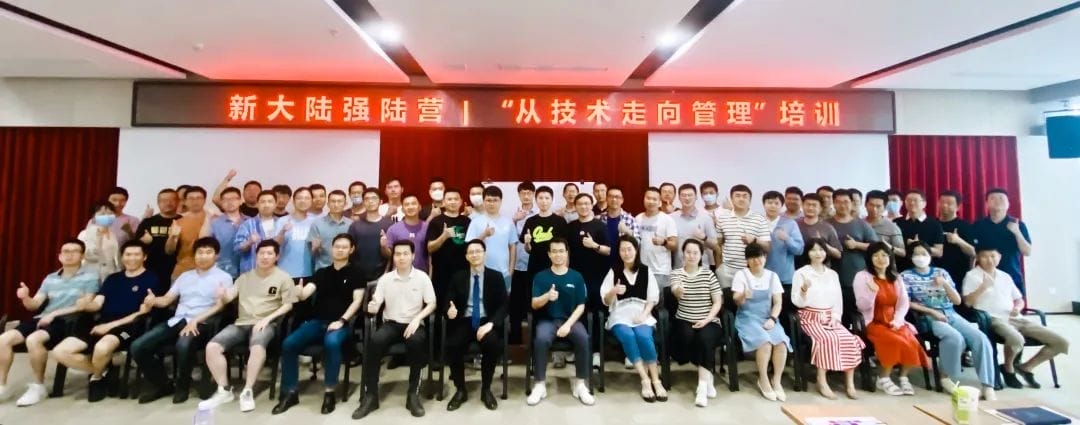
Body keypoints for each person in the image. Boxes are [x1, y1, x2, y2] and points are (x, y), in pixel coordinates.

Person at [51, 240, 159, 402]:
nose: (131, 258)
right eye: (128, 254)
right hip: (100, 322)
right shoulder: (113, 279)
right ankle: (103, 371)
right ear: (122, 257)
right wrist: (86, 305)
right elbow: (98, 303)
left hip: (128, 327)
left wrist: (109, 326)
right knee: (60, 352)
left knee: (102, 348)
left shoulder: (151, 279)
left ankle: (96, 378)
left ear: (144, 257)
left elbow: (142, 313)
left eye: (136, 254)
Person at [132, 237, 232, 404]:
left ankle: (182, 386)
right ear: (194, 255)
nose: (203, 256)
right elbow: (166, 300)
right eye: (200, 252)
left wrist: (196, 320)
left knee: (183, 345)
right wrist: (154, 300)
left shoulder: (224, 277)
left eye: (208, 252)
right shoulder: (185, 276)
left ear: (217, 256)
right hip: (177, 320)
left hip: (203, 322)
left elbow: (220, 307)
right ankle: (163, 384)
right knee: (138, 346)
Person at [0, 239, 100, 406]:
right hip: (44, 317)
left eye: (74, 251)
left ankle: (38, 386)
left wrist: (54, 314)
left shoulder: (91, 276)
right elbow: (35, 305)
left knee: (34, 339)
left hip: (70, 320)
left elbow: (85, 305)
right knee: (4, 339)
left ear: (82, 256)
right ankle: (2, 385)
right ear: (59, 256)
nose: (69, 255)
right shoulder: (50, 278)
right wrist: (26, 297)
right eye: (65, 251)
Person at [200, 239, 296, 412]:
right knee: (212, 347)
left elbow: (288, 305)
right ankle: (224, 390)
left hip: (266, 323)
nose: (265, 257)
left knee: (257, 346)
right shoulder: (244, 277)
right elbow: (229, 297)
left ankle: (247, 390)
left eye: (269, 253)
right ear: (256, 255)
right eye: (261, 253)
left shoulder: (284, 278)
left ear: (277, 257)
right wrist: (222, 295)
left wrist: (268, 319)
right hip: (241, 323)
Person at [274, 234, 365, 415]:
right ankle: (290, 392)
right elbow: (305, 294)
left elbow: (357, 301)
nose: (340, 250)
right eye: (337, 246)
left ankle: (329, 392)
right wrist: (298, 292)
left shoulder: (357, 273)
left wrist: (342, 321)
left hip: (341, 324)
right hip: (317, 322)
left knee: (332, 342)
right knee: (289, 344)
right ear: (332, 249)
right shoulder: (322, 273)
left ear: (351, 250)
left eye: (344, 247)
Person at [353, 240, 436, 419]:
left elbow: (432, 303)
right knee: (374, 341)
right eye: (398, 254)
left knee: (416, 342)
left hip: (414, 323)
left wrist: (418, 319)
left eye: (406, 253)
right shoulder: (386, 279)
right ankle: (371, 396)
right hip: (391, 323)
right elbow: (376, 302)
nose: (401, 257)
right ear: (393, 257)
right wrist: (373, 306)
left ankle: (413, 395)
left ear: (413, 256)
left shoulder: (422, 277)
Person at [902, 242, 995, 400]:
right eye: (916, 254)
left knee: (980, 338)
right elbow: (907, 302)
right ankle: (946, 377)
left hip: (951, 314)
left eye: (924, 253)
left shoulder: (941, 272)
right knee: (954, 337)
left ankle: (988, 385)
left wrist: (944, 284)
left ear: (930, 255)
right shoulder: (906, 276)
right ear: (911, 257)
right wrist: (932, 312)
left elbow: (957, 301)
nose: (920, 257)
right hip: (928, 316)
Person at [963, 246, 1066, 389]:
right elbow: (967, 302)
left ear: (999, 257)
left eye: (993, 256)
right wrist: (983, 287)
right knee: (1016, 339)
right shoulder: (972, 276)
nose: (990, 260)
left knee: (1061, 343)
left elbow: (1019, 299)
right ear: (978, 258)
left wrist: (1017, 308)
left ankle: (1026, 367)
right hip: (992, 318)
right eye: (985, 256)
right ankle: (1008, 368)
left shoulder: (1005, 276)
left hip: (1015, 317)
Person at [791, 238, 863, 400]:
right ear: (808, 253)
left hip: (830, 317)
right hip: (810, 317)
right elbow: (797, 302)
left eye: (821, 250)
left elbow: (838, 299)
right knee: (825, 339)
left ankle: (849, 383)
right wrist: (804, 290)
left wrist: (836, 317)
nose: (818, 253)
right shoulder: (801, 273)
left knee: (849, 339)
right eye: (813, 250)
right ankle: (821, 381)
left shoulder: (832, 274)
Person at [853, 242, 928, 396]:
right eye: (876, 256)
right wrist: (872, 293)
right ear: (870, 258)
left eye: (884, 255)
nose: (880, 259)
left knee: (912, 341)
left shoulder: (896, 277)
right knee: (894, 340)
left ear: (890, 258)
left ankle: (903, 377)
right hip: (873, 321)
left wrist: (898, 320)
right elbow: (861, 306)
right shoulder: (862, 276)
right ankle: (883, 378)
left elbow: (903, 302)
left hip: (893, 320)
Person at [526, 238, 594, 406]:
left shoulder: (576, 276)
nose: (558, 255)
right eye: (554, 251)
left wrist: (568, 325)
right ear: (549, 254)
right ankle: (540, 384)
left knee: (583, 338)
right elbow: (534, 304)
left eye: (561, 251)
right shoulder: (541, 277)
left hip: (571, 320)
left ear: (567, 253)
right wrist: (546, 297)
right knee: (541, 340)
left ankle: (580, 384)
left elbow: (581, 306)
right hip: (547, 321)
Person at [444, 239, 508, 411]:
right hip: (465, 320)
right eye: (471, 252)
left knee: (492, 343)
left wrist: (491, 324)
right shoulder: (458, 277)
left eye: (478, 251)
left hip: (487, 320)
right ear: (466, 256)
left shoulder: (495, 276)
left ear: (484, 254)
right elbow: (448, 300)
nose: (474, 255)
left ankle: (486, 389)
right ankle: (460, 389)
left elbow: (504, 305)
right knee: (453, 345)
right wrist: (449, 310)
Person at [600, 235, 666, 402]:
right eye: (622, 250)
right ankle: (645, 379)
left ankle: (656, 380)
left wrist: (644, 314)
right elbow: (605, 300)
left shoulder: (645, 270)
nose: (626, 253)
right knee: (628, 335)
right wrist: (613, 291)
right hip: (620, 315)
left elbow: (652, 298)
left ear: (636, 250)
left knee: (644, 336)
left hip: (641, 313)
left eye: (629, 249)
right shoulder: (614, 271)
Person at [732, 244, 791, 402]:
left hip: (768, 317)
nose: (756, 260)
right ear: (747, 260)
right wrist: (743, 295)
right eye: (752, 257)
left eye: (759, 256)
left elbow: (778, 302)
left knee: (781, 342)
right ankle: (763, 379)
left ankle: (776, 380)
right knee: (764, 342)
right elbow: (736, 301)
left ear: (765, 258)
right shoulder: (741, 275)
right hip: (747, 318)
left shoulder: (772, 276)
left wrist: (772, 319)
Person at [669, 239, 723, 407]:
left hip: (709, 319)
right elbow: (675, 289)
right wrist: (678, 291)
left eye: (695, 253)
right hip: (684, 319)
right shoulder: (676, 273)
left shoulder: (709, 274)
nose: (691, 256)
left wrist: (706, 319)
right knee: (688, 337)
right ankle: (708, 375)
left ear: (701, 255)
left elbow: (717, 302)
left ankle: (702, 387)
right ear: (683, 254)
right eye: (688, 252)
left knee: (705, 339)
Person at [566, 193, 611, 367]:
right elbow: (566, 252)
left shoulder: (600, 226)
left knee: (598, 315)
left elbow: (608, 250)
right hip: (576, 278)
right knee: (576, 313)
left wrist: (594, 246)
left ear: (591, 205)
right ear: (575, 206)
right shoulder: (571, 226)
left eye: (586, 203)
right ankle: (577, 348)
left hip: (597, 278)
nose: (583, 207)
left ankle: (596, 352)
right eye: (580, 204)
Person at [518, 186, 565, 344]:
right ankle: (535, 344)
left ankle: (558, 342)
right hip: (535, 269)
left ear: (551, 200)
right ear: (536, 200)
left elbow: (566, 249)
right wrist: (527, 243)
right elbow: (528, 249)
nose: (544, 201)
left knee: (557, 302)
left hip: (556, 268)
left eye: (547, 198)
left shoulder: (559, 221)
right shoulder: (531, 221)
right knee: (536, 304)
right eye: (541, 198)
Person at [971, 188, 1032, 295]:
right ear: (986, 204)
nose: (997, 201)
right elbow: (973, 253)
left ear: (1008, 204)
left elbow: (1027, 252)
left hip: (1012, 276)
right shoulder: (978, 225)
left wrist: (1017, 232)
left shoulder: (1018, 224)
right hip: (984, 278)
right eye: (993, 198)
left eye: (1001, 198)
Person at [828, 189, 880, 314]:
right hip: (831, 276)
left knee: (856, 313)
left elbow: (876, 247)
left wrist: (857, 245)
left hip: (856, 276)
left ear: (852, 203)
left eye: (846, 202)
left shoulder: (862, 224)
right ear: (833, 203)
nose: (842, 205)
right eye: (838, 202)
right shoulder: (826, 224)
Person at [715, 184, 771, 288]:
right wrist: (719, 267)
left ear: (750, 200)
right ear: (731, 199)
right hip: (726, 271)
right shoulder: (722, 219)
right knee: (727, 298)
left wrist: (754, 240)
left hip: (750, 270)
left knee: (748, 298)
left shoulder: (759, 219)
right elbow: (718, 244)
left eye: (745, 196)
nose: (741, 199)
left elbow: (767, 247)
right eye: (737, 196)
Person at [762, 190, 804, 315]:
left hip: (784, 278)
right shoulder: (758, 222)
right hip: (761, 277)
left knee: (784, 314)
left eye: (776, 203)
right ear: (764, 204)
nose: (772, 206)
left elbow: (799, 250)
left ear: (782, 205)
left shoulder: (790, 224)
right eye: (769, 202)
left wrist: (787, 238)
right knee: (763, 313)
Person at [427, 188, 471, 307]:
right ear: (443, 202)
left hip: (463, 272)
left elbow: (472, 244)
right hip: (441, 273)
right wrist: (444, 236)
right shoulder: (436, 221)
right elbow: (430, 248)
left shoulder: (467, 221)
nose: (453, 202)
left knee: (460, 307)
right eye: (449, 199)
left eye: (456, 199)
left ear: (461, 202)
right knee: (440, 307)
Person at [464, 186, 517, 285]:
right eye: (488, 200)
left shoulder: (508, 222)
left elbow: (512, 248)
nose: (492, 203)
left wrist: (510, 272)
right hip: (480, 273)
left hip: (504, 273)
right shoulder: (475, 222)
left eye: (495, 200)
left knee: (503, 295)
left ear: (501, 201)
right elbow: (469, 247)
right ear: (483, 201)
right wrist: (484, 234)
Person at [347, 188, 393, 283]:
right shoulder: (355, 226)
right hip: (358, 276)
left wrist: (384, 246)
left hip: (383, 277)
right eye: (367, 199)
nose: (370, 201)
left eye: (374, 198)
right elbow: (349, 253)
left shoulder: (389, 224)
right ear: (363, 202)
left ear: (380, 202)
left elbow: (392, 255)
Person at [136, 188, 180, 288]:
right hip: (151, 268)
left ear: (178, 201)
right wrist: (143, 241)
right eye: (163, 200)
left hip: (176, 268)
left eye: (171, 200)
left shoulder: (183, 220)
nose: (168, 203)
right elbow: (135, 244)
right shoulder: (148, 222)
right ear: (158, 203)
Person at [635, 187, 678, 289]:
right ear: (644, 199)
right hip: (642, 269)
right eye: (648, 198)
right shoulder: (638, 218)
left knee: (659, 299)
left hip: (661, 271)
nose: (651, 201)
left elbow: (674, 245)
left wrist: (663, 242)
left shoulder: (667, 220)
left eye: (654, 199)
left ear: (659, 202)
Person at [893, 189, 945, 272]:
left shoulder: (935, 224)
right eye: (909, 200)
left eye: (915, 200)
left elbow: (939, 252)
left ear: (924, 204)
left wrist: (919, 244)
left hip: (924, 270)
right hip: (901, 269)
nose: (912, 203)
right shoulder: (897, 222)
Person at [672, 184, 721, 271]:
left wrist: (704, 237)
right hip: (678, 268)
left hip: (701, 269)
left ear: (696, 197)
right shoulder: (671, 218)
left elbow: (714, 245)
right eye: (683, 195)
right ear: (679, 198)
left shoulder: (706, 217)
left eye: (690, 195)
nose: (687, 198)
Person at [168, 186, 212, 281]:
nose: (195, 201)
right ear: (185, 201)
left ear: (204, 200)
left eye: (199, 198)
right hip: (183, 272)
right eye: (191, 198)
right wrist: (172, 237)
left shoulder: (215, 220)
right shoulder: (178, 222)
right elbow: (169, 251)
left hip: (209, 273)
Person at [276, 187, 317, 282]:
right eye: (299, 198)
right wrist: (282, 232)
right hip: (285, 272)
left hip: (309, 271)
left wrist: (316, 247)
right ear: (293, 201)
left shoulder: (316, 222)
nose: (303, 201)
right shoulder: (282, 221)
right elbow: (275, 245)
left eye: (307, 198)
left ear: (311, 201)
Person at [937, 190, 976, 285]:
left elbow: (973, 252)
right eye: (942, 202)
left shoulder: (965, 226)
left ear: (958, 207)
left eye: (949, 203)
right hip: (936, 274)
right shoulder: (932, 224)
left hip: (958, 274)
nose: (944, 205)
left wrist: (959, 241)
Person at [309, 190, 354, 271]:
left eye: (339, 201)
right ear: (328, 204)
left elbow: (353, 249)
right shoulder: (317, 224)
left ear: (345, 204)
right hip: (323, 269)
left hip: (346, 270)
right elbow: (310, 252)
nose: (336, 204)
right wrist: (314, 248)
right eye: (333, 201)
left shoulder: (351, 224)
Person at [384, 194, 430, 271]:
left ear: (419, 207)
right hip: (398, 273)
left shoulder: (428, 227)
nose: (410, 207)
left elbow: (431, 254)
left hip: (421, 273)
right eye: (407, 204)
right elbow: (389, 255)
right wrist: (383, 247)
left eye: (413, 204)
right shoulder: (393, 229)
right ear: (402, 209)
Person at [795, 193, 842, 268]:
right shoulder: (794, 225)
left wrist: (823, 244)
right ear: (802, 205)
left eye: (814, 205)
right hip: (798, 270)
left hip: (821, 271)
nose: (810, 208)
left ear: (820, 208)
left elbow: (838, 254)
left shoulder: (828, 227)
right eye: (808, 204)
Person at [78, 200, 121, 281]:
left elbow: (115, 257)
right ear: (94, 217)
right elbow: (85, 255)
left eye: (110, 213)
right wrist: (98, 243)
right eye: (103, 214)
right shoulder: (85, 234)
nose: (107, 216)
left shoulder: (113, 234)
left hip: (110, 274)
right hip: (92, 274)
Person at [599, 186, 639, 265]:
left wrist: (628, 231)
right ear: (606, 199)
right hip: (602, 262)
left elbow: (638, 243)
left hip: (623, 264)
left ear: (622, 200)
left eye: (617, 197)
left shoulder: (630, 219)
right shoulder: (600, 218)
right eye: (611, 196)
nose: (614, 199)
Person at [210, 187, 245, 278]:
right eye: (225, 200)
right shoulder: (214, 223)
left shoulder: (251, 221)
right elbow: (209, 247)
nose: (230, 202)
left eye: (233, 199)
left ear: (241, 201)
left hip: (247, 271)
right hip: (223, 271)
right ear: (221, 203)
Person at [864, 190, 906, 260]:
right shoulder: (859, 223)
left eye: (878, 206)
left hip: (883, 265)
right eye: (871, 205)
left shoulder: (892, 227)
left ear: (884, 207)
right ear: (865, 205)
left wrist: (890, 247)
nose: (874, 209)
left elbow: (903, 253)